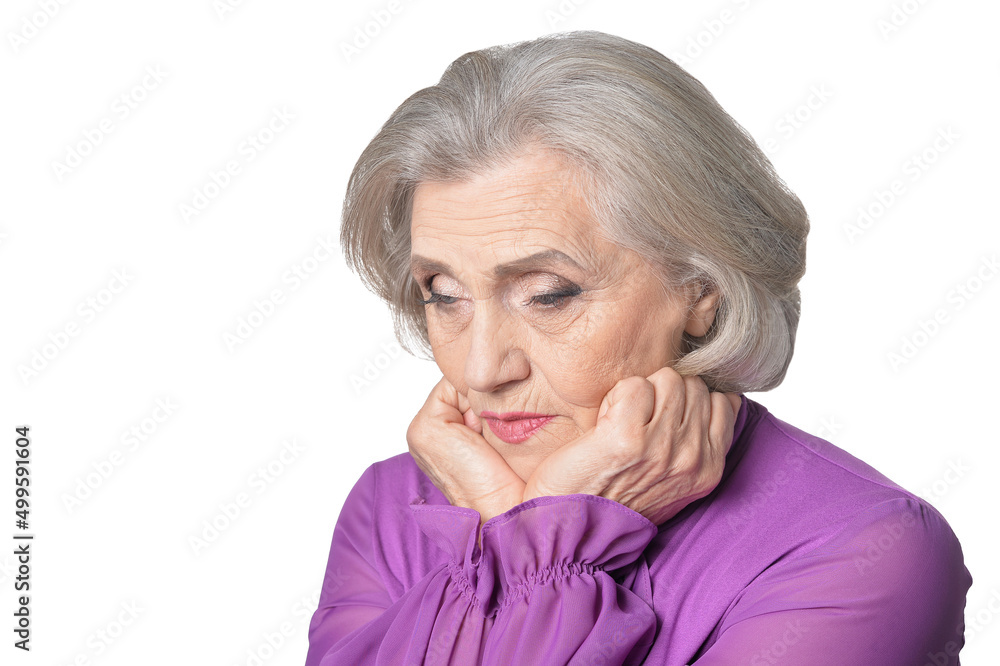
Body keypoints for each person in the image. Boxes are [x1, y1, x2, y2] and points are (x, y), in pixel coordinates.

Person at [305, 31, 971, 665]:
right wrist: (535, 537)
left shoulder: (866, 549)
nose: (480, 368)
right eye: (444, 293)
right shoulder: (394, 506)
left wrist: (542, 553)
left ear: (701, 287)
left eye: (548, 293)